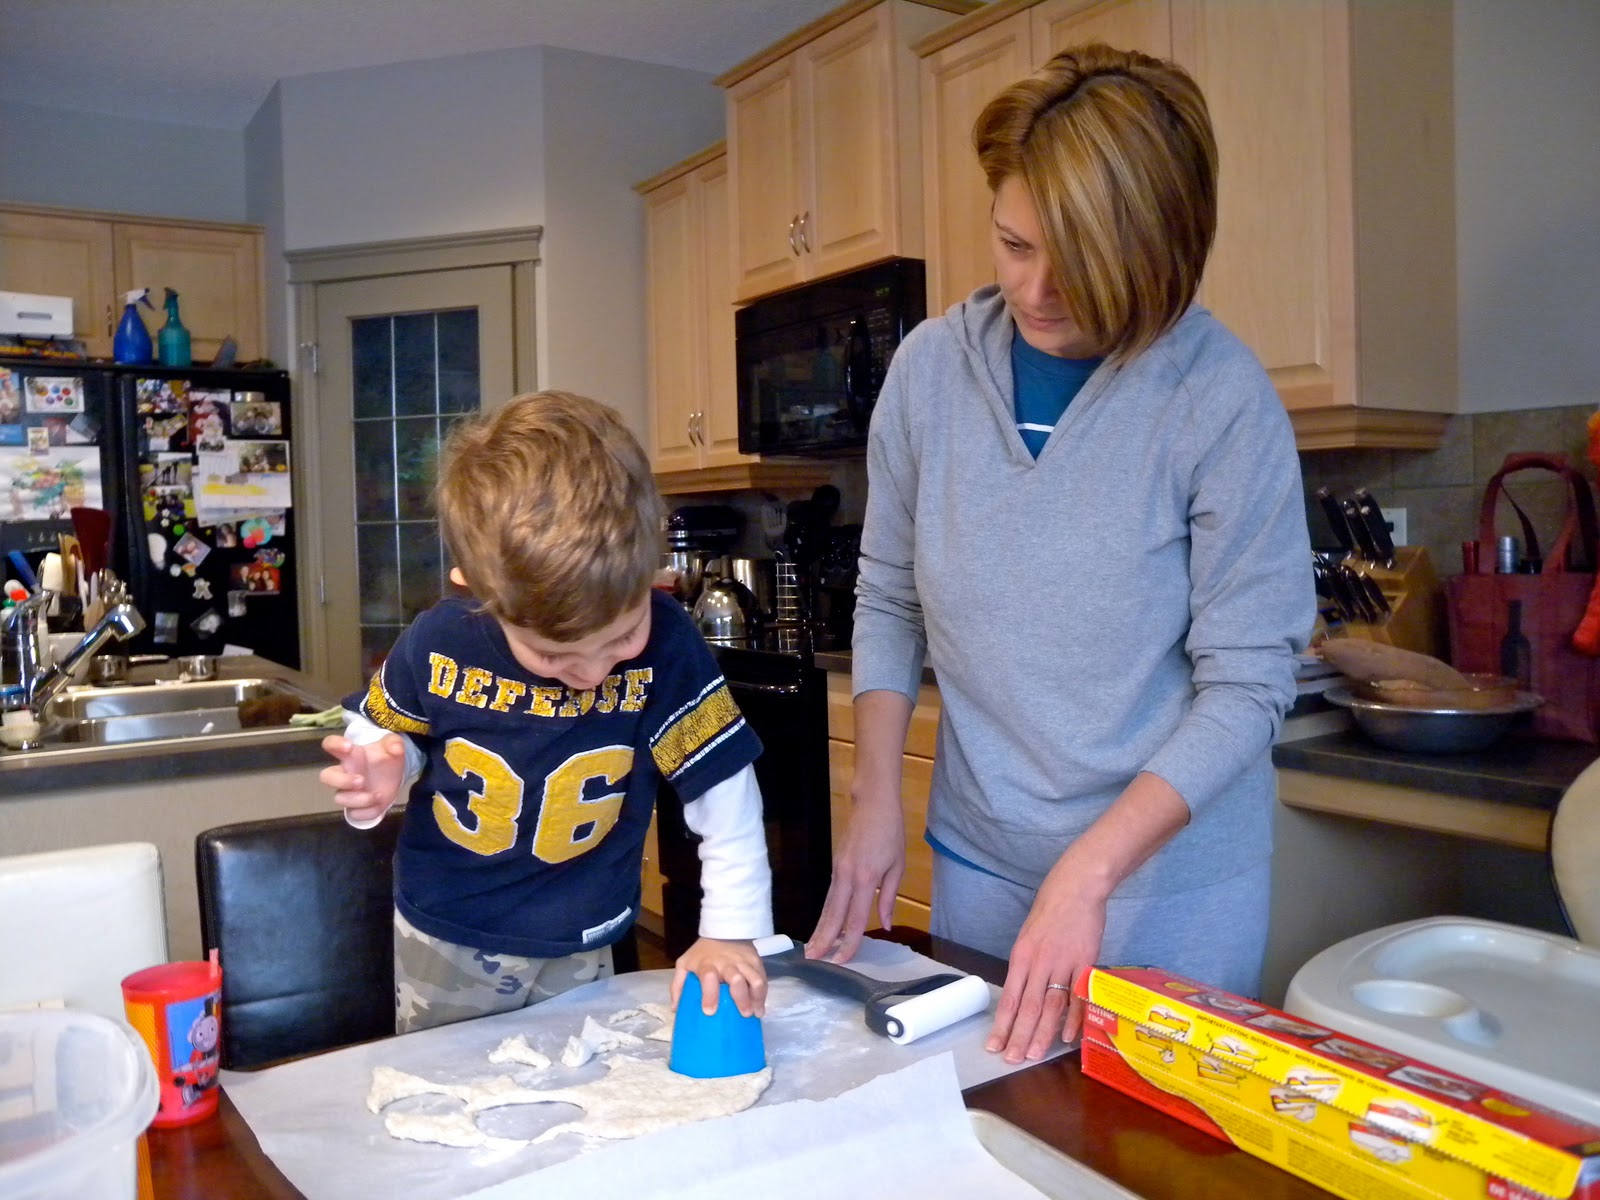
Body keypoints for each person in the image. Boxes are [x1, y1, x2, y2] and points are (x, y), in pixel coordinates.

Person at [806, 45, 1314, 1065]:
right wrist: (873, 797)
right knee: (994, 1120)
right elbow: (890, 598)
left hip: (1169, 885)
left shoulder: (1217, 398)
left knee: (1148, 1140)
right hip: (983, 860)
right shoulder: (929, 376)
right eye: (1014, 244)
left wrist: (1089, 872)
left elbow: (1248, 683)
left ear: (1157, 250)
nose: (1037, 290)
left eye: (1079, 262)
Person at [321, 390, 774, 1033]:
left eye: (622, 638)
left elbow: (723, 791)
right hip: (449, 931)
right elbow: (388, 733)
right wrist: (381, 770)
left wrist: (730, 930)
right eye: (554, 655)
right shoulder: (440, 637)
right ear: (476, 589)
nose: (592, 673)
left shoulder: (672, 645)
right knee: (447, 1083)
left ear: (652, 570)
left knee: (580, 1077)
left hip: (585, 927)